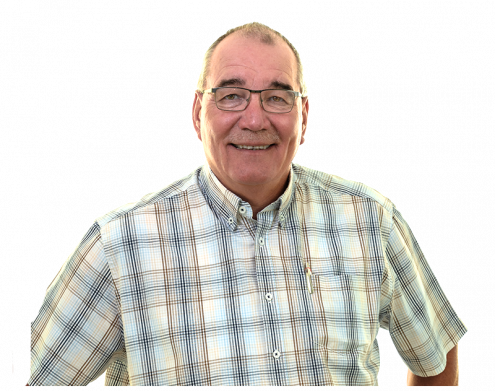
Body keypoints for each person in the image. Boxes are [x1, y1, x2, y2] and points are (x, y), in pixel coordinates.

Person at [19, 21, 467, 387]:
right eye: (231, 95)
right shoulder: (118, 244)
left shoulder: (371, 219)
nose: (254, 119)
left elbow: (436, 353)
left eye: (277, 97)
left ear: (303, 118)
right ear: (198, 113)